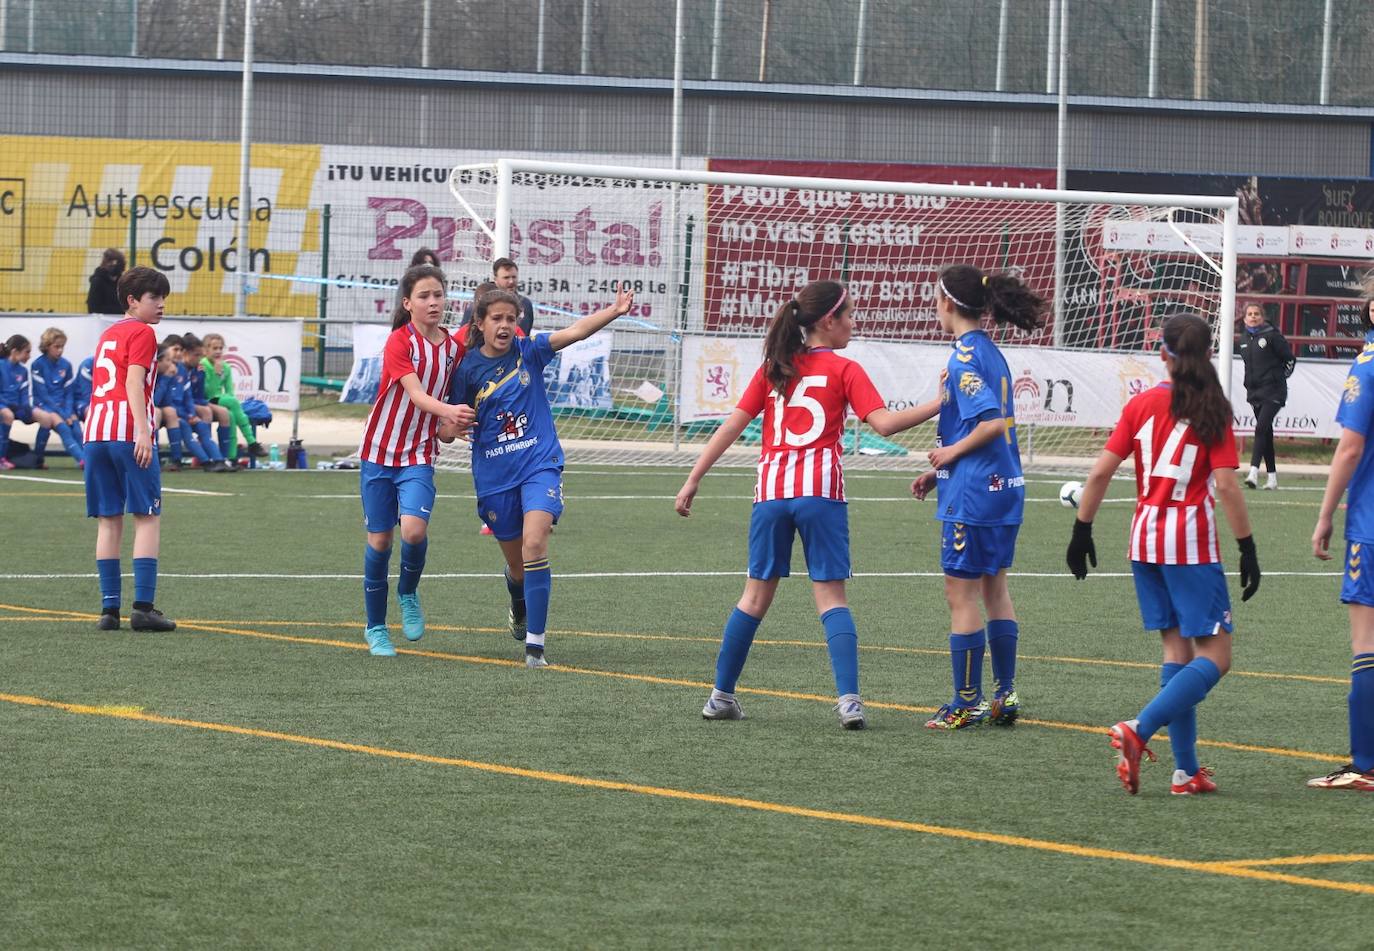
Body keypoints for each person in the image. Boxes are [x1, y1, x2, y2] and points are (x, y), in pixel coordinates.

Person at [674, 279, 932, 729]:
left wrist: (693, 478)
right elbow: (886, 426)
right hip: (820, 493)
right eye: (849, 313)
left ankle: (720, 697)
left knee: (753, 598)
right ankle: (849, 702)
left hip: (771, 493)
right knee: (831, 597)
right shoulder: (845, 369)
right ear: (828, 321)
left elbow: (731, 427)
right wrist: (941, 400)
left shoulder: (775, 367)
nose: (854, 322)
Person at [1067, 312, 1261, 796]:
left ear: (1163, 356)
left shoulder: (1142, 404)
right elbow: (1226, 485)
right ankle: (1140, 727)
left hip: (1144, 539)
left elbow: (1099, 474)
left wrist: (1081, 530)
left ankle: (1185, 771)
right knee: (1217, 656)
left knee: (1177, 651)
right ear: (1207, 355)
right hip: (1188, 543)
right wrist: (1247, 546)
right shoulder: (1214, 408)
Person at [443, 284, 634, 668]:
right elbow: (446, 428)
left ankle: (536, 648)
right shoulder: (466, 370)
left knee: (535, 543)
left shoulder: (529, 352)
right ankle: (518, 599)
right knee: (517, 567)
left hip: (539, 464)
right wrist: (451, 426)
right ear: (479, 323)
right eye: (496, 318)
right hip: (495, 477)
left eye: (511, 319)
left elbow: (575, 332)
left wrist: (613, 310)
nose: (504, 325)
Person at [909, 264, 1047, 730]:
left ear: (948, 303)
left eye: (935, 298)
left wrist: (948, 452)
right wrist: (944, 469)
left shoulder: (962, 357)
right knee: (996, 590)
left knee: (961, 595)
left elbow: (989, 422)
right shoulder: (992, 352)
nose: (934, 306)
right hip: (1005, 487)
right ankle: (1005, 695)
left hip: (975, 496)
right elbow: (982, 424)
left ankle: (965, 702)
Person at [358, 264, 474, 657]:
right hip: (378, 452)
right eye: (424, 296)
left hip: (419, 453)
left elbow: (443, 420)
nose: (433, 302)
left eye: (438, 295)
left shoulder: (455, 349)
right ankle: (375, 628)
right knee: (380, 540)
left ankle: (407, 592)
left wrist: (450, 426)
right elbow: (417, 396)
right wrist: (450, 413)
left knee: (413, 532)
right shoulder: (399, 342)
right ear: (407, 304)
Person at [82, 265, 177, 631]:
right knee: (147, 516)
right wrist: (143, 431)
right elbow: (134, 383)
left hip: (96, 432)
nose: (161, 304)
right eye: (154, 297)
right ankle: (143, 608)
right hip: (126, 429)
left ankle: (108, 611)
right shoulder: (142, 333)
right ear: (132, 300)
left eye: (163, 297)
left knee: (108, 520)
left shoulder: (108, 334)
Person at [1309, 294, 1374, 790]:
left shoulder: (1367, 366)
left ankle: (1365, 766)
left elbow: (1351, 448)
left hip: (1371, 527)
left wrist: (1326, 514)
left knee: (1366, 646)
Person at [1238, 302, 1294, 490]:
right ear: (1245, 318)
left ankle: (1253, 472)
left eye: (1256, 314)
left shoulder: (1272, 335)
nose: (1253, 317)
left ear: (1262, 317)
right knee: (1266, 434)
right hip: (1255, 392)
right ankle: (1272, 478)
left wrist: (1279, 378)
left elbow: (1289, 359)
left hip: (1274, 390)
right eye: (1250, 314)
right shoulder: (1244, 339)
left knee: (1260, 428)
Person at [200, 332, 268, 462]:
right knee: (232, 402)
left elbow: (230, 391)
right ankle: (252, 442)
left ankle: (230, 458)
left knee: (231, 414)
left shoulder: (226, 366)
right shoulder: (203, 364)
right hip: (206, 400)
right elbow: (207, 391)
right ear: (205, 350)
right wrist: (216, 373)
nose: (218, 351)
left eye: (220, 348)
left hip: (221, 400)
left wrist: (227, 399)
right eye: (214, 348)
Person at [29, 327, 86, 468]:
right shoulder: (37, 365)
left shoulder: (66, 365)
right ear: (47, 346)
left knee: (76, 428)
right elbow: (43, 396)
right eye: (56, 347)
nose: (60, 350)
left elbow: (68, 394)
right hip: (44, 406)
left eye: (62, 347)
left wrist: (69, 413)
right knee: (64, 428)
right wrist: (63, 415)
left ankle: (88, 458)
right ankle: (83, 460)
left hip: (63, 408)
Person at [180, 333, 234, 465]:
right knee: (206, 411)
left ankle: (224, 456)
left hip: (196, 402)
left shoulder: (200, 368)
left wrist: (217, 375)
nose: (199, 359)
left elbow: (202, 394)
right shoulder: (180, 369)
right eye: (197, 355)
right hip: (185, 405)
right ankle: (209, 455)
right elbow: (186, 396)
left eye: (220, 348)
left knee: (225, 413)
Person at [0, 334, 40, 470]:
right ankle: (1, 458)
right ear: (14, 352)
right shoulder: (1, 366)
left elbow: (24, 394)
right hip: (3, 405)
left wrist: (26, 408)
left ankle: (38, 459)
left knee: (46, 417)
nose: (29, 356)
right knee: (7, 415)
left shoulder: (23, 371)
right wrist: (10, 406)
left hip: (14, 406)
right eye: (27, 352)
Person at [492, 258, 536, 335]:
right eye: (506, 277)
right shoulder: (483, 304)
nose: (511, 281)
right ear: (495, 279)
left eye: (514, 277)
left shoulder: (525, 304)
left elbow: (526, 336)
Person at [86, 248, 126, 315]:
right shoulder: (97, 281)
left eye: (117, 264)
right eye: (111, 264)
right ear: (105, 263)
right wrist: (121, 310)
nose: (114, 267)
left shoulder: (122, 282)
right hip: (101, 321)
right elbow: (93, 308)